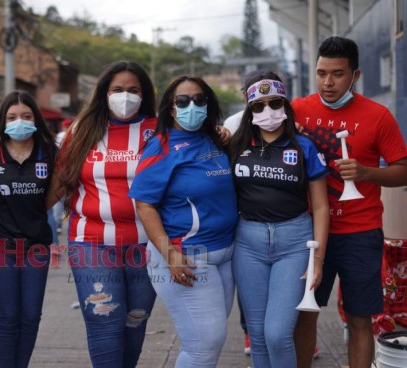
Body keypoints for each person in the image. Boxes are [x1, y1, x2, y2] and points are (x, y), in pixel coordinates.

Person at [292, 36, 407, 368]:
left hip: (361, 230)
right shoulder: (297, 109)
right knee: (305, 313)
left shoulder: (378, 115)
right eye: (321, 73)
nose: (328, 82)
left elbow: (403, 170)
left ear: (355, 75)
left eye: (338, 74)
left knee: (359, 318)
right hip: (310, 229)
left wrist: (367, 173)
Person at [129, 75, 239, 367]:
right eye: (183, 100)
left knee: (210, 343)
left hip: (224, 256)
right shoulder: (160, 147)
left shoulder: (212, 140)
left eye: (199, 99)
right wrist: (170, 256)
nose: (192, 105)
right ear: (170, 108)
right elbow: (145, 206)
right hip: (186, 257)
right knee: (203, 346)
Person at [55, 60, 158, 367]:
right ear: (104, 92)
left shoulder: (160, 131)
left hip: (147, 245)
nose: (125, 96)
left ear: (144, 94)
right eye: (117, 90)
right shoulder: (81, 130)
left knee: (134, 322)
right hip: (91, 242)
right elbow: (60, 182)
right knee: (104, 322)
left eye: (133, 90)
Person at [230, 71, 329, 368]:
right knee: (258, 335)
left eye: (274, 102)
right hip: (247, 243)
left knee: (277, 334)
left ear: (285, 103)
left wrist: (318, 259)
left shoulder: (304, 146)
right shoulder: (235, 145)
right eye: (258, 106)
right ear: (249, 110)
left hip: (294, 242)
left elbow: (322, 207)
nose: (267, 111)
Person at [0, 90, 58, 368]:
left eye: (26, 116)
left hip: (37, 246)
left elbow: (55, 192)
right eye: (12, 117)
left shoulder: (49, 153)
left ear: (36, 119)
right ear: (3, 121)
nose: (19, 122)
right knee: (8, 317)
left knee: (31, 316)